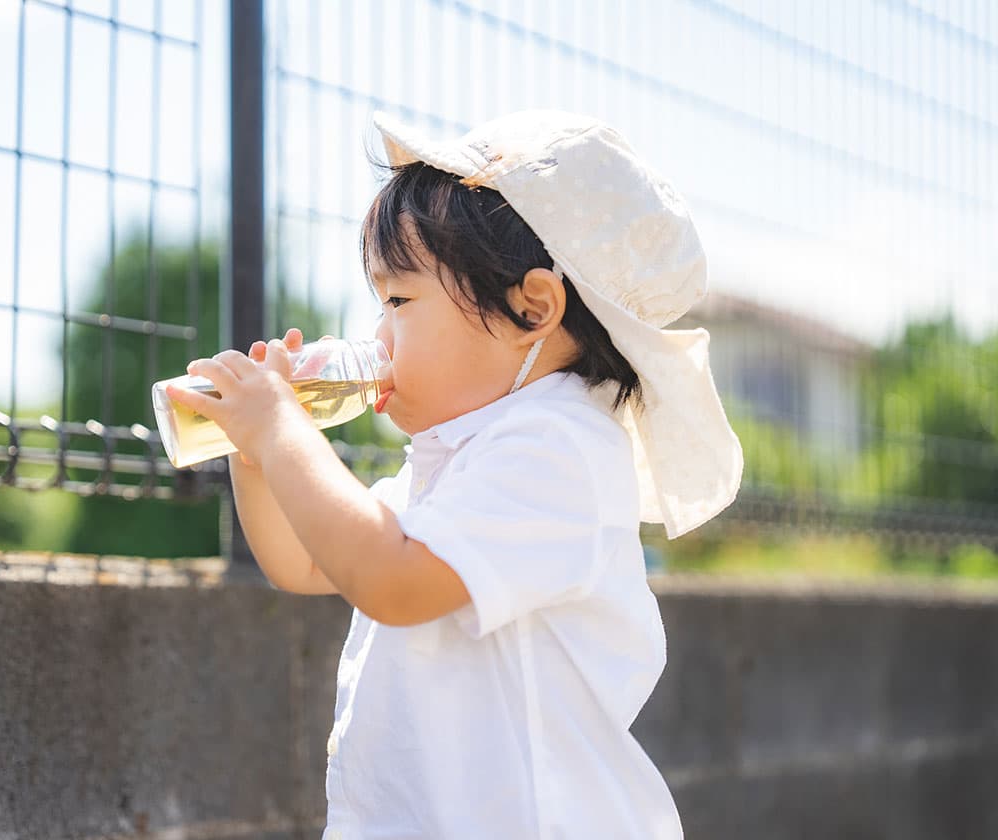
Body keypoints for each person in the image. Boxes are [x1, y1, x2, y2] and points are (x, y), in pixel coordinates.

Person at [166, 109, 743, 839]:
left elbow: (391, 579)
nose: (377, 335)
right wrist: (256, 458)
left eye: (399, 301)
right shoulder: (457, 456)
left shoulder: (557, 448)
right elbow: (309, 561)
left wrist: (283, 431)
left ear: (531, 308)